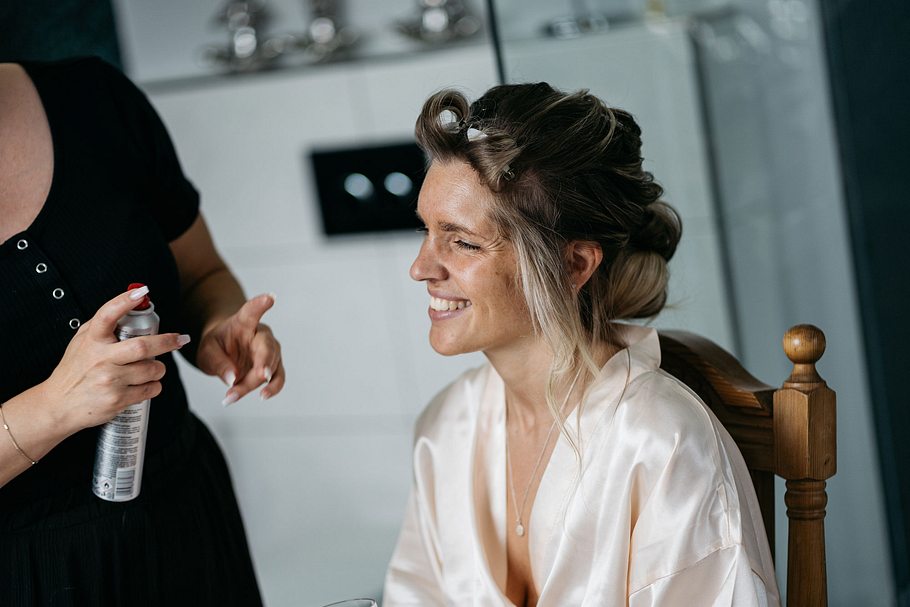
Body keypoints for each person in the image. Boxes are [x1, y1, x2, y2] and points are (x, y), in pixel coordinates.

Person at [383, 83, 779, 606]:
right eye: (426, 231)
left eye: (463, 242)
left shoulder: (660, 442)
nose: (421, 268)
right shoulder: (446, 427)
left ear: (574, 265)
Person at [0, 57, 285, 605]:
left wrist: (217, 328)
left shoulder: (91, 96)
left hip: (188, 519)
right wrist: (55, 408)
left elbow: (204, 274)